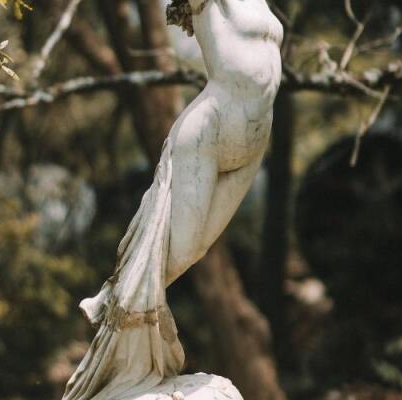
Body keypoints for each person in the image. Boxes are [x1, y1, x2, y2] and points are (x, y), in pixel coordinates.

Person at [63, 1, 283, 398]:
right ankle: (113, 299)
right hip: (211, 131)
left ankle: (116, 298)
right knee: (177, 250)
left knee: (193, 251)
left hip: (254, 138)